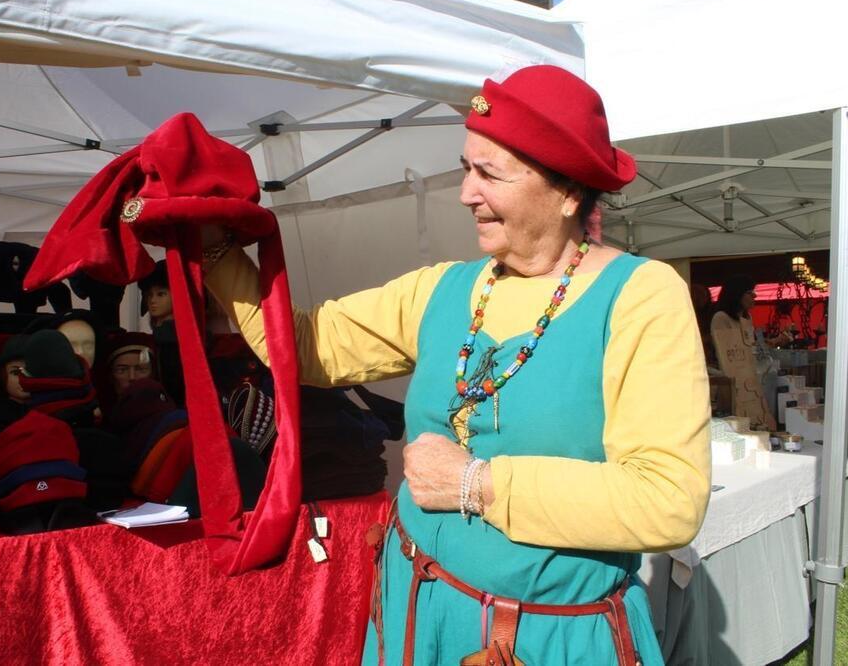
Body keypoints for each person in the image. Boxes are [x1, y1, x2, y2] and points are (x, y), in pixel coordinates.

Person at [201, 66, 710, 665]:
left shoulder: (641, 294)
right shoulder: (447, 288)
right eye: (466, 168)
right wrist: (214, 247)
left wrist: (476, 484)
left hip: (546, 639)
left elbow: (668, 500)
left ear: (568, 192)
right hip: (420, 606)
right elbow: (308, 344)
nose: (466, 192)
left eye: (488, 173)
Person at [710, 275, 778, 430]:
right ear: (737, 294)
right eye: (749, 292)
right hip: (736, 386)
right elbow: (729, 359)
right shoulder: (721, 318)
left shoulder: (746, 319)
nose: (754, 296)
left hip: (752, 383)